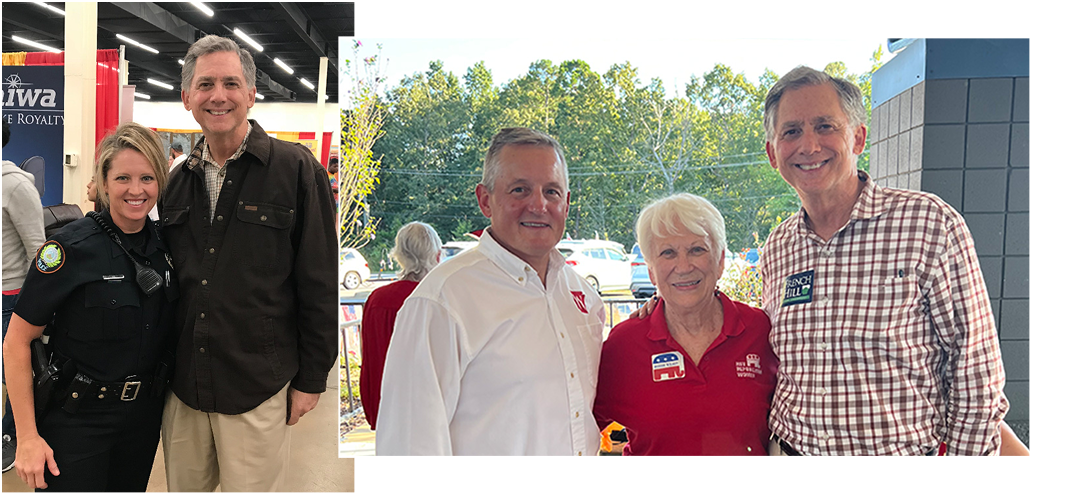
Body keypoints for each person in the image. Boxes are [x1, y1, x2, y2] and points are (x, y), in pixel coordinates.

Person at [759, 66, 1008, 455]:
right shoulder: (778, 247)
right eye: (791, 131)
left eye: (825, 126)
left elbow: (976, 372)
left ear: (858, 137)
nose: (809, 145)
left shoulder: (929, 223)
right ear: (773, 153)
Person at [157, 34, 337, 490]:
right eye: (205, 84)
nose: (218, 95)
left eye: (231, 84)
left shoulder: (296, 171)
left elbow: (319, 281)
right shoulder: (176, 183)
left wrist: (312, 378)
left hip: (258, 384)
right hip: (184, 385)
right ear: (187, 98)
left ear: (252, 94)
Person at [376, 127, 606, 456]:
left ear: (566, 204)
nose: (538, 204)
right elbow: (409, 447)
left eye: (551, 191)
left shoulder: (582, 297)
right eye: (520, 189)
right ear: (485, 199)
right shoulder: (442, 300)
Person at [3, 122, 177, 490]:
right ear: (103, 182)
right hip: (76, 420)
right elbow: (16, 342)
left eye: (147, 178)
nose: (136, 190)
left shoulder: (167, 248)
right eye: (123, 178)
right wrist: (27, 437)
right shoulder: (69, 249)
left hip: (142, 421)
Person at [594, 193, 776, 456]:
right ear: (651, 271)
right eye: (668, 253)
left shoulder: (759, 330)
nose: (683, 266)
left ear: (720, 261)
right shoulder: (625, 345)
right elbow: (577, 426)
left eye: (697, 250)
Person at [358, 221, 442, 430]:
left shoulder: (377, 300)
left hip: (386, 410)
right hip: (429, 413)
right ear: (437, 255)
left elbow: (370, 358)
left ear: (399, 255)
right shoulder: (439, 300)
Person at [2, 119, 47, 472]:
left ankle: (13, 434)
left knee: (14, 373)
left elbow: (38, 250)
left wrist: (40, 306)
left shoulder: (15, 185)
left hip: (10, 295)